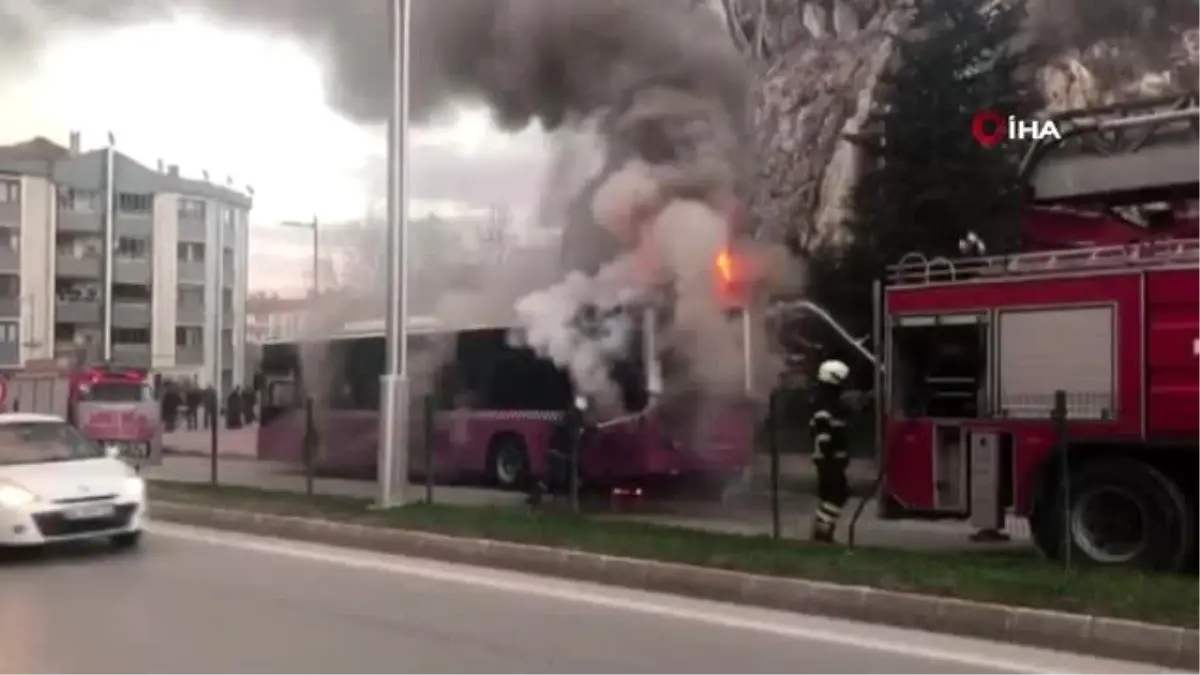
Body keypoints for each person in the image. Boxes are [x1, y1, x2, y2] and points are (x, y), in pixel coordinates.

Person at [809, 359, 851, 544]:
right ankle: (822, 534)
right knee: (834, 495)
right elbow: (823, 434)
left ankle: (823, 531)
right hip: (828, 459)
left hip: (830, 459)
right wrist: (832, 456)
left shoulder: (828, 401)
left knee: (836, 494)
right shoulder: (826, 403)